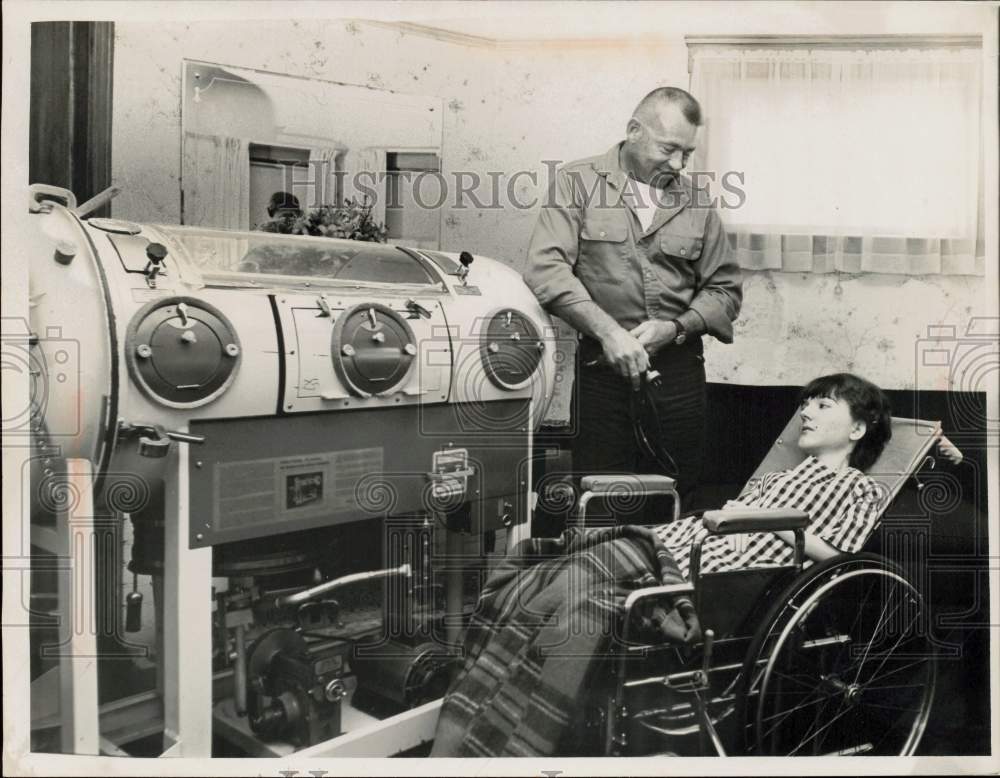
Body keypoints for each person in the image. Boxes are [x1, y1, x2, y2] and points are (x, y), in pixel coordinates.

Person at [523, 87, 742, 500]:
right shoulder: (576, 183)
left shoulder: (697, 201)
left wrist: (676, 328)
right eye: (669, 148)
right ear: (634, 131)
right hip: (602, 374)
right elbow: (546, 270)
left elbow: (724, 289)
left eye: (687, 154)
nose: (678, 164)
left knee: (675, 499)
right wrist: (609, 333)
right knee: (600, 499)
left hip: (678, 375)